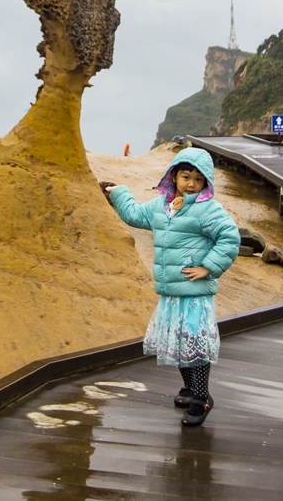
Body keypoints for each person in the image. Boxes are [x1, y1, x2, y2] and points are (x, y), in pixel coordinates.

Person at [105, 147, 240, 427]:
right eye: (185, 176)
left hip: (194, 292)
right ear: (173, 176)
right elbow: (134, 215)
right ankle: (190, 389)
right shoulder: (161, 205)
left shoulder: (208, 208)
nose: (191, 184)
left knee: (194, 341)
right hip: (171, 292)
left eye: (198, 180)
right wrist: (118, 193)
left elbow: (230, 237)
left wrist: (209, 267)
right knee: (179, 341)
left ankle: (202, 397)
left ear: (206, 183)